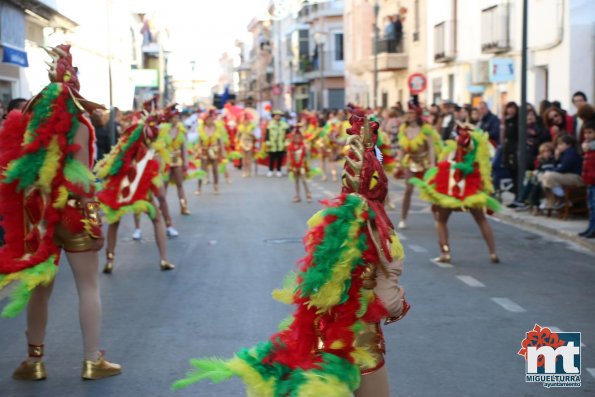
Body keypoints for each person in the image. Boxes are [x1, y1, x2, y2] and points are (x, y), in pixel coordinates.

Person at [174, 105, 409, 397]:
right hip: (362, 342)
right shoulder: (381, 232)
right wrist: (400, 304)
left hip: (322, 338)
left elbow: (315, 286)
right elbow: (387, 300)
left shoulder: (331, 222)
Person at [0, 45, 120, 380]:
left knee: (41, 288)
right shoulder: (79, 123)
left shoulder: (33, 125)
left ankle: (35, 361)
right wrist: (93, 215)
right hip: (73, 211)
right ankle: (91, 360)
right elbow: (80, 180)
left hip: (40, 215)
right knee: (88, 286)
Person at [95, 98, 175, 274]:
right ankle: (164, 258)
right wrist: (160, 197)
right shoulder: (153, 154)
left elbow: (108, 167)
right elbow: (159, 189)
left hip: (118, 192)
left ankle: (110, 260)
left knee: (114, 223)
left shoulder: (124, 147)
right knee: (157, 219)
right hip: (142, 194)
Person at [411, 122, 500, 263]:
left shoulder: (450, 151)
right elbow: (484, 171)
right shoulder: (477, 154)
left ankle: (445, 253)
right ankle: (493, 253)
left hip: (449, 192)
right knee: (481, 220)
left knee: (441, 220)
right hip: (471, 191)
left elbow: (441, 170)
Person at [397, 100, 439, 229]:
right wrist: (399, 162)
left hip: (425, 162)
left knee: (431, 191)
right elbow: (403, 148)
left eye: (412, 113)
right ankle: (403, 219)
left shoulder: (426, 129)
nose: (409, 115)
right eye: (408, 113)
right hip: (411, 162)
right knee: (408, 190)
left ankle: (438, 220)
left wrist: (432, 163)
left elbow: (431, 147)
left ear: (417, 114)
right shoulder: (404, 129)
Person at [161, 105, 191, 215]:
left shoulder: (181, 131)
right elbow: (160, 147)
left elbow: (184, 148)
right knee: (164, 185)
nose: (176, 119)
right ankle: (161, 207)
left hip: (177, 160)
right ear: (169, 118)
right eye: (174, 117)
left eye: (177, 117)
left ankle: (183, 206)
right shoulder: (163, 131)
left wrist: (186, 162)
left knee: (180, 184)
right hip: (166, 160)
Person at [540, 134, 584, 211]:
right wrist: (557, 158)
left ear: (568, 145)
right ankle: (552, 199)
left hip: (576, 177)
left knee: (549, 176)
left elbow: (564, 168)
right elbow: (558, 166)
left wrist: (551, 171)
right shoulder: (563, 154)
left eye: (561, 144)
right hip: (567, 175)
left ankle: (562, 199)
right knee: (543, 176)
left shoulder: (570, 153)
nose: (558, 147)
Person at [513, 142, 556, 212]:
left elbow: (549, 170)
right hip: (540, 178)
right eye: (544, 152)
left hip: (547, 179)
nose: (546, 153)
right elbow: (539, 169)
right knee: (531, 179)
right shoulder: (541, 161)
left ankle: (524, 200)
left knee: (535, 182)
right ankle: (523, 200)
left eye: (548, 151)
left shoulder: (553, 160)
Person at [196, 109, 226, 194]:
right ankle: (199, 188)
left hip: (214, 150)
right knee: (202, 169)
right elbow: (199, 141)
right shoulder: (202, 128)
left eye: (211, 119)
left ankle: (216, 187)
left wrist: (222, 151)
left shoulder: (217, 128)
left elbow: (220, 141)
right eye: (208, 119)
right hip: (205, 150)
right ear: (205, 120)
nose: (209, 121)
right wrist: (198, 151)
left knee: (215, 169)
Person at [287, 126, 313, 203]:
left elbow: (308, 157)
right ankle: (297, 195)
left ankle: (308, 194)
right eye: (296, 137)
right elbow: (288, 157)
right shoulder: (290, 146)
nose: (297, 139)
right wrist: (288, 166)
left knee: (304, 180)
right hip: (294, 166)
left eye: (299, 137)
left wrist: (308, 165)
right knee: (296, 181)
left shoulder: (304, 146)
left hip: (302, 166)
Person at [579, 121, 595, 238]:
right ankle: (590, 227)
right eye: (585, 133)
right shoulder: (586, 147)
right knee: (590, 206)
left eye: (590, 133)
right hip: (589, 180)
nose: (587, 135)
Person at [502, 102, 520, 201]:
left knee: (516, 172)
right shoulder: (507, 120)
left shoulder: (517, 121)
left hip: (515, 149)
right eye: (509, 108)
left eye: (512, 108)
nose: (511, 110)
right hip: (507, 148)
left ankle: (518, 195)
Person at [266, 109, 289, 177]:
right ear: (273, 116)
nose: (277, 117)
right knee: (271, 158)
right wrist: (267, 141)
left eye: (279, 116)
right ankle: (270, 170)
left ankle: (279, 170)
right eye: (276, 116)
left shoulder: (284, 124)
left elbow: (288, 134)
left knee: (280, 158)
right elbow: (267, 133)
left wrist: (287, 142)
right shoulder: (270, 124)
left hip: (281, 144)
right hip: (272, 144)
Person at [236, 110, 257, 177]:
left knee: (249, 158)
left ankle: (249, 171)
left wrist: (252, 134)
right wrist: (237, 139)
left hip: (249, 143)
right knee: (244, 158)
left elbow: (256, 136)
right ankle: (244, 171)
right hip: (242, 143)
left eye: (246, 120)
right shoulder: (240, 127)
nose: (245, 121)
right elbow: (237, 136)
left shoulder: (252, 127)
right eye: (244, 120)